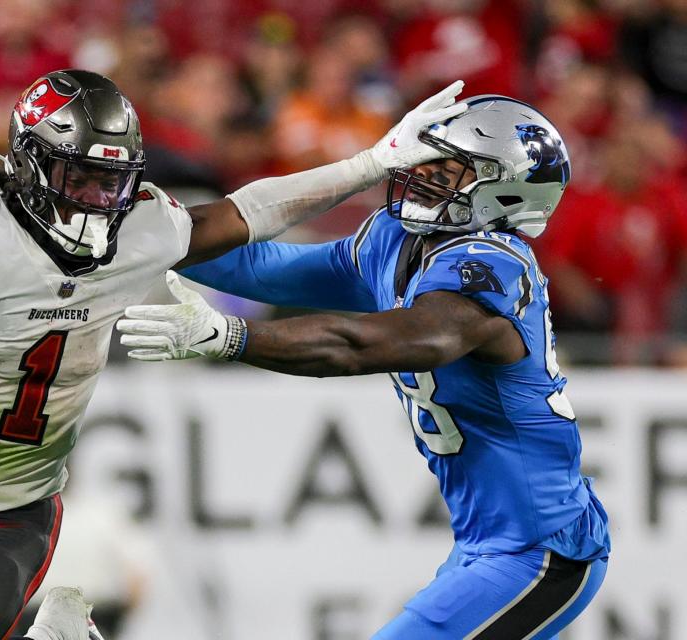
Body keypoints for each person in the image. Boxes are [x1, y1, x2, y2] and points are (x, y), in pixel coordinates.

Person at [0, 69, 467, 640]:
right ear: (28, 164)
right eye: (80, 180)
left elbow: (250, 210)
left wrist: (372, 163)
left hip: (11, 510)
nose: (100, 201)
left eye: (112, 182)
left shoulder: (140, 231)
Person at [117, 95, 610, 639]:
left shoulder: (492, 266)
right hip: (485, 545)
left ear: (506, 189)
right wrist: (144, 235)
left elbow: (374, 344)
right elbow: (265, 269)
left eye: (446, 171)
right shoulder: (395, 241)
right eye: (423, 165)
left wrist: (232, 337)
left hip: (541, 549)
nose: (420, 179)